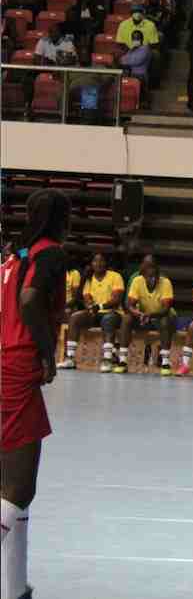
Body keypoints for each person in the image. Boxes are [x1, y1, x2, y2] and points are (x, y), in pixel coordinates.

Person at [0, 189, 71, 599]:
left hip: (5, 362)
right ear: (61, 219)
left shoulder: (16, 256)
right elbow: (29, 301)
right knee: (20, 488)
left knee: (11, 493)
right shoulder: (49, 254)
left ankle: (13, 590)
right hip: (18, 368)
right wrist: (46, 355)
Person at [58, 252, 124, 373]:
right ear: (91, 264)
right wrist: (89, 306)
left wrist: (99, 306)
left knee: (108, 319)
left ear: (106, 263)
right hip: (95, 313)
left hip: (113, 313)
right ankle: (70, 358)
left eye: (101, 261)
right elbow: (87, 298)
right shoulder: (89, 278)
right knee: (75, 317)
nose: (98, 264)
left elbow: (116, 300)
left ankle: (108, 360)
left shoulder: (115, 276)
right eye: (95, 261)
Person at [114, 255, 175, 375]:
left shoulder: (165, 282)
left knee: (165, 321)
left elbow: (165, 309)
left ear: (157, 269)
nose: (150, 270)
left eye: (152, 267)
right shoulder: (137, 280)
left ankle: (165, 362)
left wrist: (150, 315)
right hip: (144, 317)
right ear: (142, 268)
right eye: (147, 267)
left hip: (161, 316)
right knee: (127, 319)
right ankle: (122, 361)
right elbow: (129, 305)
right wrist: (139, 314)